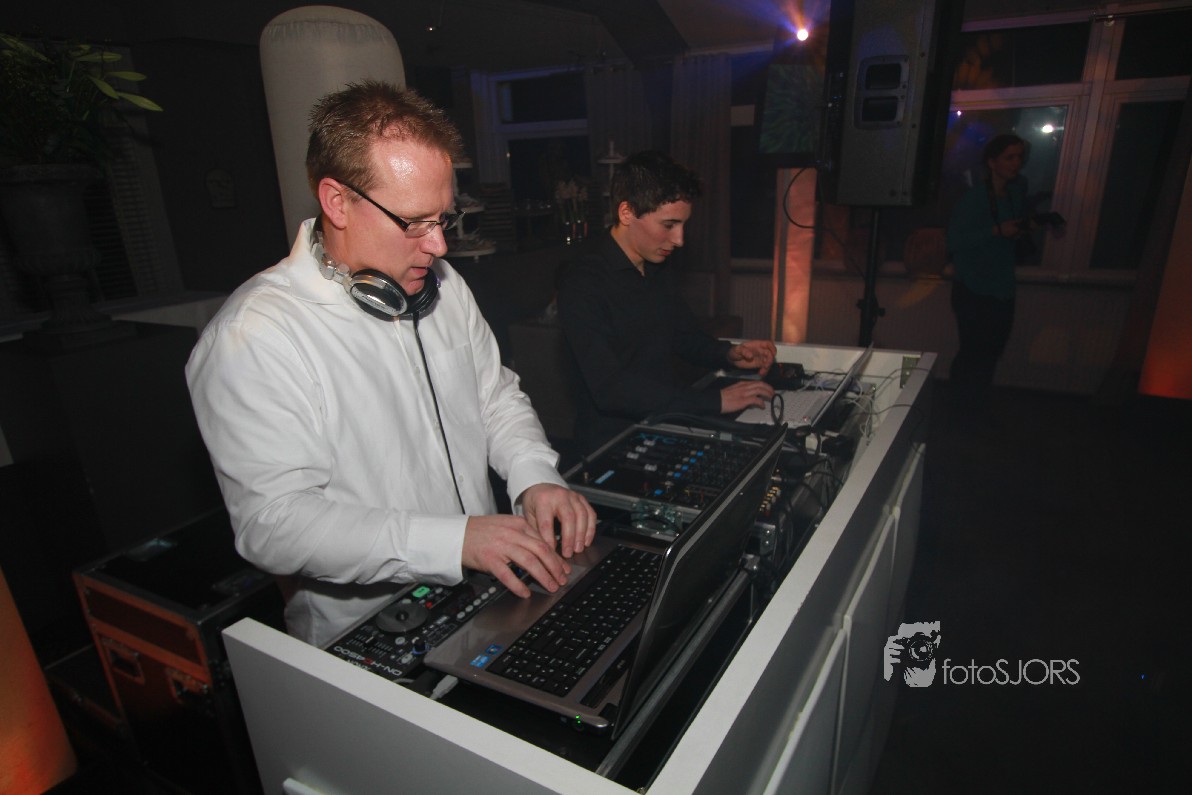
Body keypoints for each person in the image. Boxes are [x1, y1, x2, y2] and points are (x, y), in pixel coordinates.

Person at [186, 82, 596, 648]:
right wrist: (454, 542)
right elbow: (273, 525)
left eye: (443, 219)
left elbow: (495, 396)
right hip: (367, 635)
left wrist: (535, 476)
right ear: (337, 201)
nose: (440, 246)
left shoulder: (444, 287)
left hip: (488, 597)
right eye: (415, 222)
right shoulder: (253, 336)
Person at [555, 150, 778, 451]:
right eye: (669, 225)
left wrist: (729, 354)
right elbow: (610, 389)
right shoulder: (582, 281)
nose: (679, 239)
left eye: (683, 225)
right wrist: (715, 401)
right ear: (627, 213)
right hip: (613, 443)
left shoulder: (655, 265)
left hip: (664, 425)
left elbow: (683, 337)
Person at [946, 133, 1033, 425]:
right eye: (1009, 157)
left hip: (1001, 286)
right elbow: (954, 241)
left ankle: (975, 409)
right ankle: (960, 412)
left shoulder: (1015, 196)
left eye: (1019, 157)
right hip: (973, 287)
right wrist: (996, 231)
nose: (1016, 163)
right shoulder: (974, 199)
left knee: (990, 352)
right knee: (973, 352)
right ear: (992, 162)